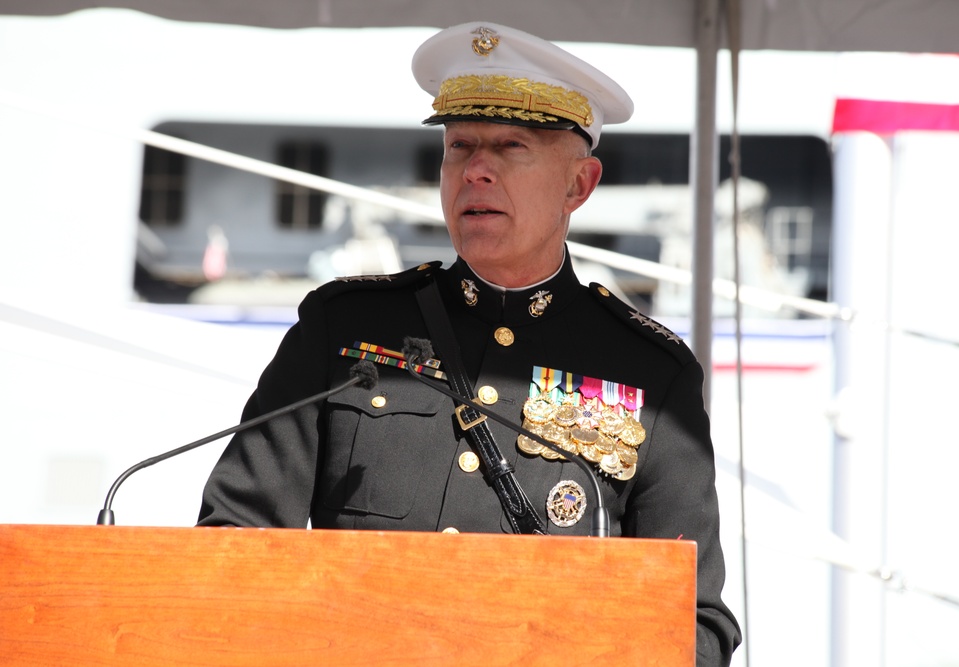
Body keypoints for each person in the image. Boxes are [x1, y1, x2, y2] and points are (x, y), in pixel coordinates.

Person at [198, 21, 741, 664]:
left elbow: (693, 620)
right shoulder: (342, 331)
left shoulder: (653, 374)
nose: (475, 170)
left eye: (510, 146)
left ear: (579, 185)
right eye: (460, 147)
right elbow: (234, 539)